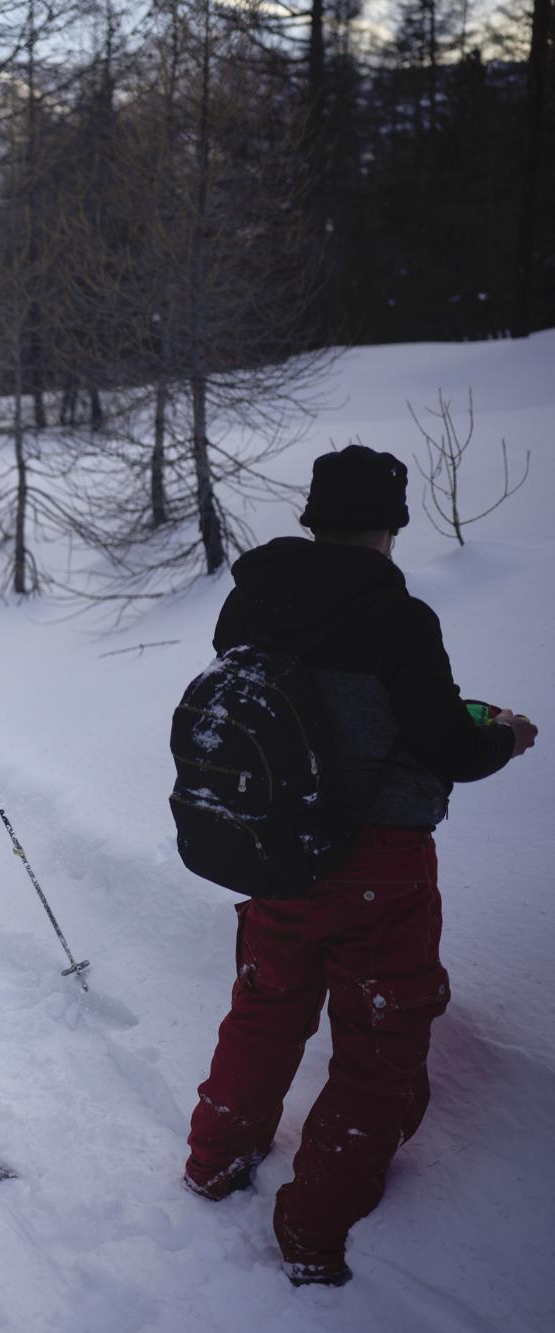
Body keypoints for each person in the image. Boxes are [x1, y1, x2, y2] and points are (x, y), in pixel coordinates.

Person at [180, 444, 536, 1287]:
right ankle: (312, 1227)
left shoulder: (251, 598)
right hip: (379, 863)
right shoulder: (398, 617)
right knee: (380, 1040)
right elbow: (447, 743)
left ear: (314, 517)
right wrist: (505, 736)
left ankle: (215, 1155)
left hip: (275, 850)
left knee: (266, 1005)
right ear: (388, 528)